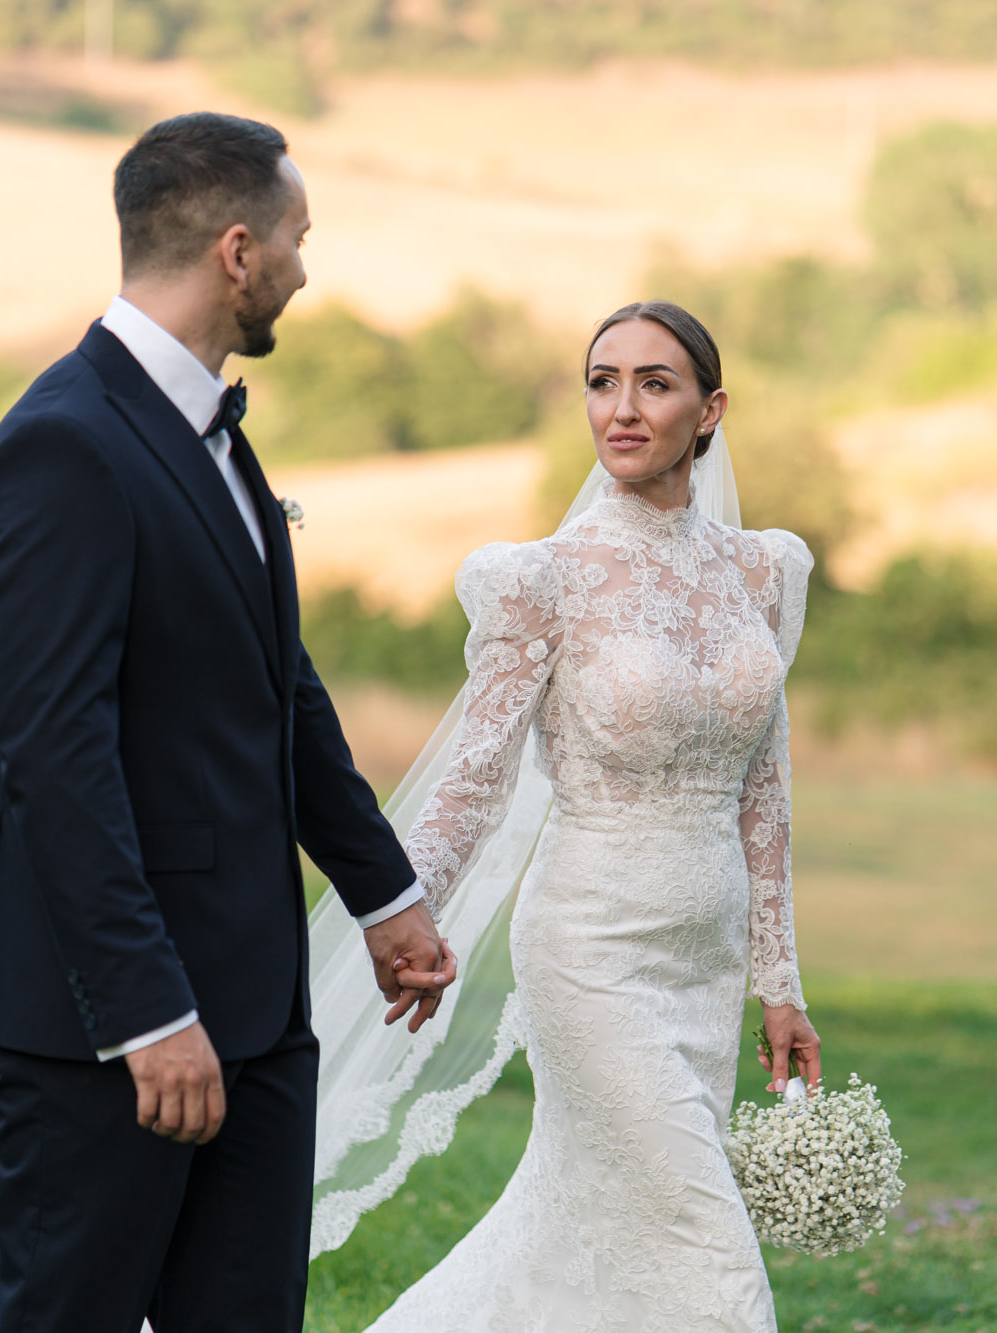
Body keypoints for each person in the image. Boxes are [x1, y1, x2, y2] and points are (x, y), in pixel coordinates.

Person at [0, 111, 456, 1333]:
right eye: (294, 237)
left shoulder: (209, 433)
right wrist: (143, 1013)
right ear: (237, 251)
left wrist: (381, 898)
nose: (303, 267)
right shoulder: (64, 447)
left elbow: (278, 686)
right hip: (106, 1018)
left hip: (257, 1000)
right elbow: (52, 758)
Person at [339, 300, 823, 1330]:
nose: (622, 408)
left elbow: (763, 789)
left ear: (710, 410)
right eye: (602, 382)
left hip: (705, 960)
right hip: (590, 949)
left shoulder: (763, 573)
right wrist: (406, 913)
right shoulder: (541, 580)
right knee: (704, 1238)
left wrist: (778, 984)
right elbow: (474, 777)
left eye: (655, 383)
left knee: (590, 1236)